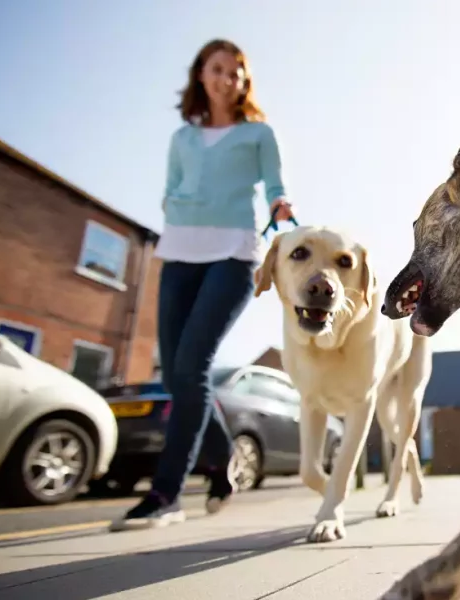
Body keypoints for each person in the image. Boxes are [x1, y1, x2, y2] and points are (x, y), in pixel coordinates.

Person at [110, 38, 294, 531]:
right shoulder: (182, 138)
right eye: (218, 69)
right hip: (180, 252)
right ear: (201, 75)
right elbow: (170, 188)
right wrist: (176, 207)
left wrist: (280, 204)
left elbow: (274, 182)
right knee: (176, 376)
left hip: (233, 254)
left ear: (243, 82)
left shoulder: (258, 133)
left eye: (236, 72)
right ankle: (222, 457)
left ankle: (166, 493)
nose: (227, 79)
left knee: (192, 366)